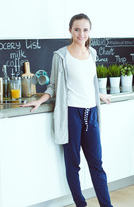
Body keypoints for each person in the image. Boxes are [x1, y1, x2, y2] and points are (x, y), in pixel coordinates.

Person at [21, 13, 113, 207]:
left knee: (97, 163)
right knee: (73, 164)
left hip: (91, 113)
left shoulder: (93, 54)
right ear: (69, 30)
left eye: (85, 30)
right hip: (71, 114)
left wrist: (99, 94)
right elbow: (53, 85)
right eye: (77, 29)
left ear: (90, 31)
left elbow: (89, 83)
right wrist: (39, 100)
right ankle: (81, 204)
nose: (81, 34)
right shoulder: (61, 56)